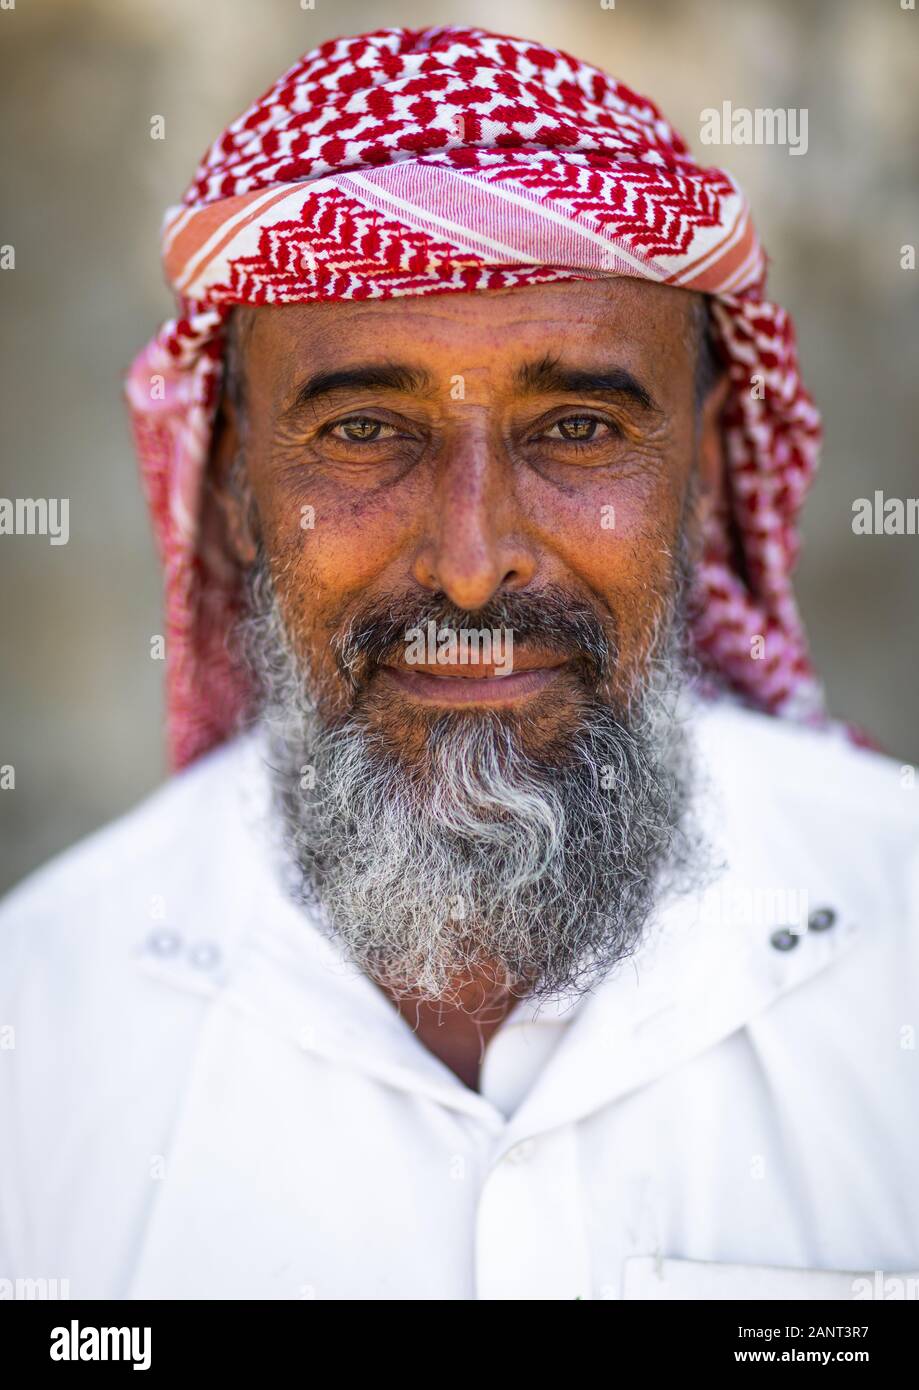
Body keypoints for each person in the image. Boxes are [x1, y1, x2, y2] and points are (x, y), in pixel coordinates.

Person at [1, 26, 916, 1302]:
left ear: (703, 470)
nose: (473, 561)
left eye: (581, 426)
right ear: (232, 481)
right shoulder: (35, 1039)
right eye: (365, 429)